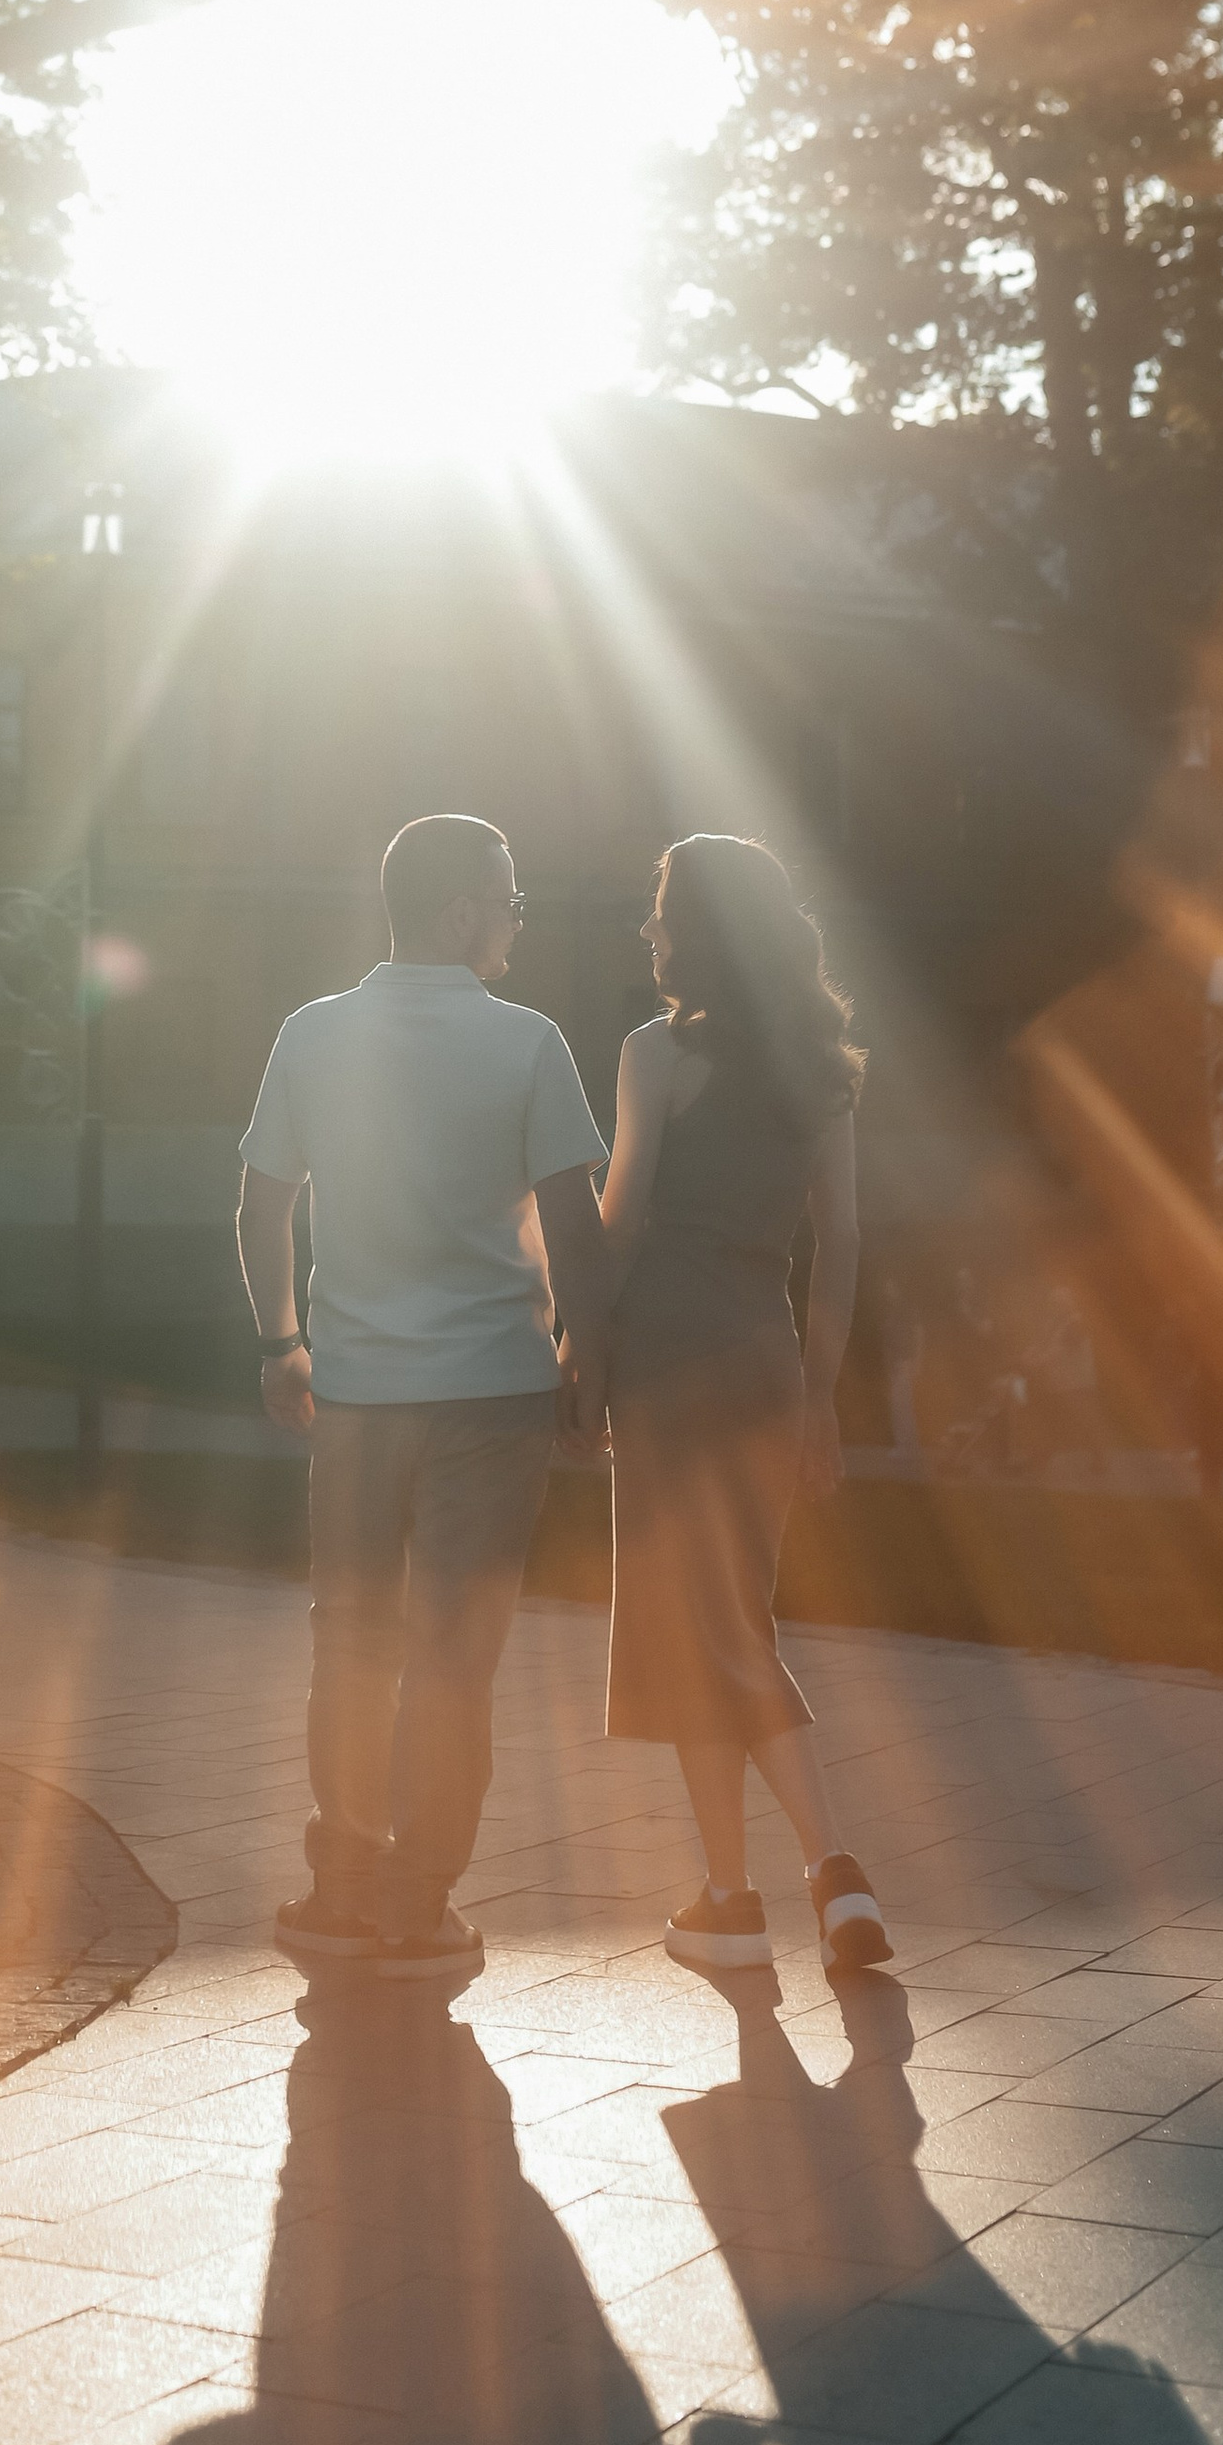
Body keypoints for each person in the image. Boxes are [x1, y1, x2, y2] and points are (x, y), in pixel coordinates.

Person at [237, 812, 613, 1985]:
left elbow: (258, 1210)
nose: (515, 917)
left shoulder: (310, 1033)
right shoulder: (529, 1043)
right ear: (460, 911)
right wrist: (584, 1361)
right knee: (452, 1655)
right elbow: (573, 1223)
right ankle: (417, 1905)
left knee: (348, 1639)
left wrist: (279, 1343)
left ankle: (340, 1880)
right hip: (493, 1394)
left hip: (352, 1393)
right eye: (506, 896)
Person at [588, 833, 893, 1978]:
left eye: (663, 911)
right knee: (716, 1626)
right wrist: (818, 1398)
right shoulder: (822, 1066)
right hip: (764, 1360)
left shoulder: (652, 1053)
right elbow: (843, 1238)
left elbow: (619, 1226)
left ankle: (831, 1866)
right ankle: (727, 1895)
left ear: (699, 926)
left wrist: (582, 1355)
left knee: (709, 1628)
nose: (651, 930)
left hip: (667, 1359)